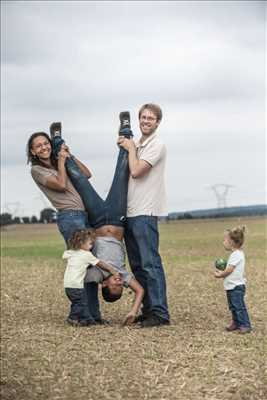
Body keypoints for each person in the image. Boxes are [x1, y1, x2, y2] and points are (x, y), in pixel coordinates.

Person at [50, 114, 144, 325]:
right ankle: (126, 131)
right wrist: (133, 310)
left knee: (79, 179)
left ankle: (58, 142)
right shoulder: (123, 274)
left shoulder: (95, 272)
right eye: (121, 286)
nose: (119, 282)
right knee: (122, 172)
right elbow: (139, 291)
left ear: (104, 285)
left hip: (98, 219)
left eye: (115, 285)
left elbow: (77, 278)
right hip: (117, 218)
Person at [117, 103, 170, 327]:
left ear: (157, 122)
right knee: (138, 266)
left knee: (150, 264)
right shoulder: (137, 143)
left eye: (151, 118)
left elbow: (137, 172)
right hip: (130, 212)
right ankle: (148, 311)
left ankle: (159, 313)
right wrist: (128, 146)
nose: (146, 121)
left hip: (145, 212)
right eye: (143, 117)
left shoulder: (156, 145)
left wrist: (130, 149)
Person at [27, 131, 91, 245]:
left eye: (46, 143)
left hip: (84, 213)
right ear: (33, 151)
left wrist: (69, 156)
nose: (44, 147)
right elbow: (61, 185)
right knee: (80, 258)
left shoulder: (59, 164)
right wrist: (61, 160)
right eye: (38, 146)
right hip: (70, 216)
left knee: (90, 257)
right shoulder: (37, 170)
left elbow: (86, 175)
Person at [63, 228, 119, 326]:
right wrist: (111, 270)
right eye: (90, 244)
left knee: (77, 302)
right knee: (81, 303)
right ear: (81, 243)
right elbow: (100, 263)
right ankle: (72, 318)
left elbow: (65, 255)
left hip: (67, 285)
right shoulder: (86, 255)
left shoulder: (71, 252)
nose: (92, 246)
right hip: (76, 286)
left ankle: (86, 319)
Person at [214, 226, 252, 334]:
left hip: (236, 286)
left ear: (231, 242)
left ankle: (245, 324)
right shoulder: (235, 254)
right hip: (231, 286)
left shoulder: (237, 255)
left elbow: (230, 270)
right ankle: (236, 322)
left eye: (225, 240)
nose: (223, 242)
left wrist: (221, 274)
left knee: (239, 306)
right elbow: (230, 268)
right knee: (233, 307)